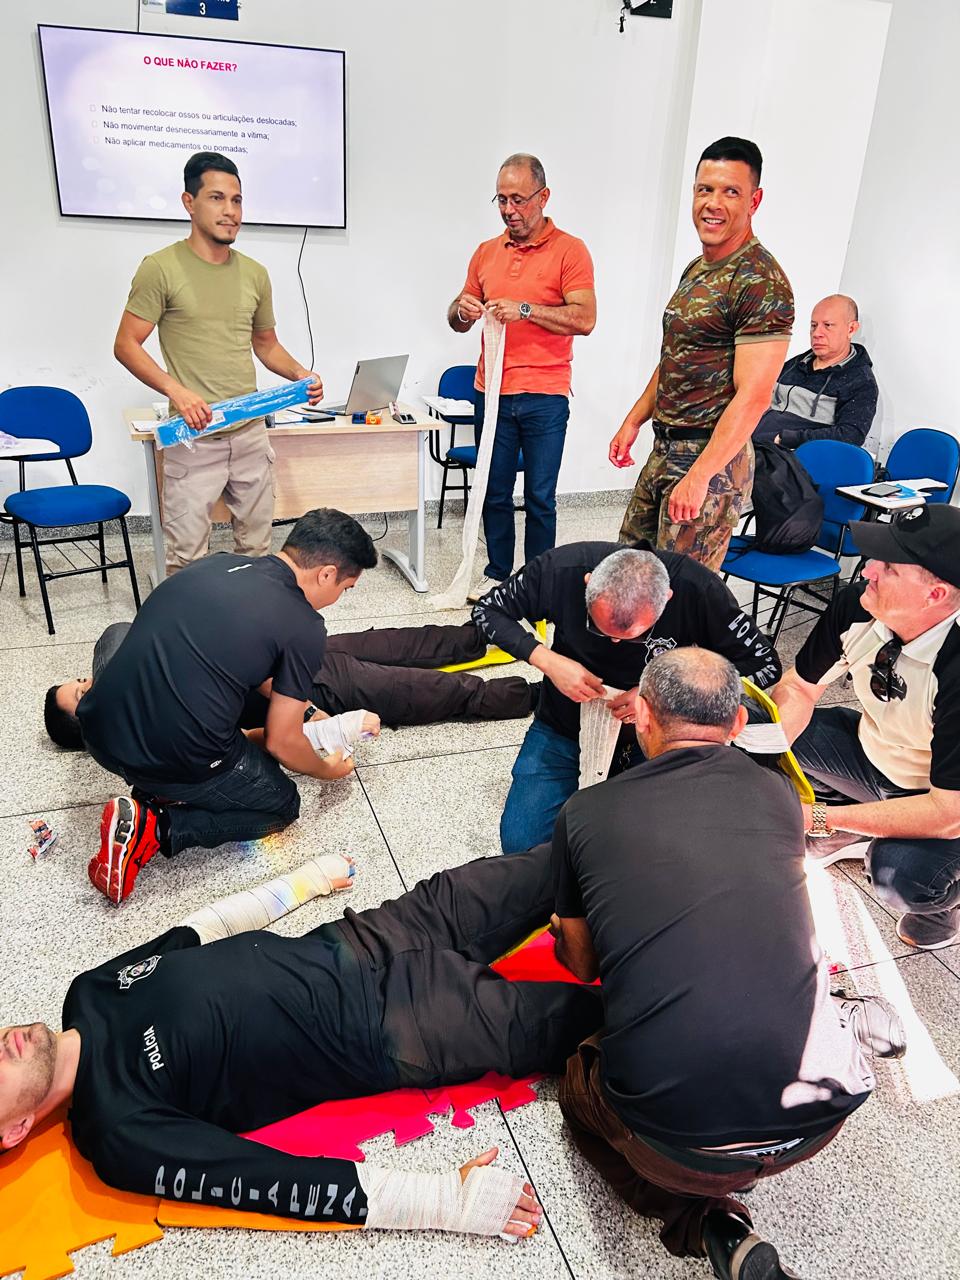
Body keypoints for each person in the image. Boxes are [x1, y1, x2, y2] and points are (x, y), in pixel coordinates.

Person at [0, 847, 601, 1241]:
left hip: (368, 934)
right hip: (397, 1024)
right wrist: (448, 1201)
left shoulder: (87, 991)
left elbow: (197, 931)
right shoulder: (116, 1131)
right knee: (616, 1022)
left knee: (576, 854)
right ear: (13, 1132)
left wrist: (302, 882)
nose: (2, 1043)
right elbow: (271, 1180)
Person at [551, 647, 905, 1280]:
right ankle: (845, 1020)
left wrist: (565, 928)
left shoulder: (584, 813)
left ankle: (705, 1222)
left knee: (579, 1082)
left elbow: (580, 964)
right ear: (740, 724)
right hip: (821, 1123)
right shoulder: (776, 795)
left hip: (674, 1146)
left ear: (642, 718)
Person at [76, 508, 378, 906]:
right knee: (282, 804)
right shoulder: (305, 625)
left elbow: (243, 655)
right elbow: (281, 744)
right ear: (325, 573)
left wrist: (303, 708)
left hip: (98, 730)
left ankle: (152, 773)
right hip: (178, 758)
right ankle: (158, 827)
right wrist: (328, 770)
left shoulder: (220, 562)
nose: (340, 599)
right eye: (346, 588)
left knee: (118, 634)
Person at [471, 542, 782, 852]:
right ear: (588, 583)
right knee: (521, 842)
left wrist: (664, 696)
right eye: (601, 629)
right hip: (564, 724)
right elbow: (486, 610)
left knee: (642, 849)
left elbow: (766, 664)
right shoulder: (561, 569)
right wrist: (548, 661)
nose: (615, 642)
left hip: (654, 733)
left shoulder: (697, 588)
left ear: (667, 600)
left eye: (632, 635)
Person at [114, 151, 323, 576]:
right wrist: (177, 390)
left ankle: (249, 635)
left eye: (237, 200)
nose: (230, 211)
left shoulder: (255, 273)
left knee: (258, 551)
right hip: (195, 439)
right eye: (216, 198)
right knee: (187, 559)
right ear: (189, 203)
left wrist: (301, 374)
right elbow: (126, 344)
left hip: (250, 434)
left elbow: (266, 344)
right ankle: (187, 639)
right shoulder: (161, 268)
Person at [771, 503, 960, 951]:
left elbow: (946, 814)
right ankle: (861, 826)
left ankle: (946, 907)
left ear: (935, 595)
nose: (869, 570)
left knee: (902, 877)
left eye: (890, 567)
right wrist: (771, 749)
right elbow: (798, 687)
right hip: (878, 756)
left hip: (945, 803)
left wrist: (818, 817)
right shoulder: (856, 606)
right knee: (763, 734)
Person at [610, 137, 794, 572]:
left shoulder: (760, 281)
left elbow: (754, 396)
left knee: (678, 602)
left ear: (755, 200)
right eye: (704, 189)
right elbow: (677, 355)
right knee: (622, 578)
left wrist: (701, 476)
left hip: (709, 461)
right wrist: (634, 420)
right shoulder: (698, 268)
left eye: (730, 191)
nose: (712, 203)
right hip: (666, 446)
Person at [448, 153, 596, 600]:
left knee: (539, 497)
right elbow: (455, 316)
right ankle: (497, 576)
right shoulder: (486, 253)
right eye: (501, 200)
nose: (509, 209)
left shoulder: (570, 250)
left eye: (518, 199)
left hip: (545, 396)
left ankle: (538, 583)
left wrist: (526, 310)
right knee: (492, 491)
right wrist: (463, 310)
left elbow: (585, 318)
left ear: (543, 197)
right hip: (490, 393)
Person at [44, 619, 537, 752]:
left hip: (299, 654)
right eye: (82, 693)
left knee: (410, 641)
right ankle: (538, 695)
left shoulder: (146, 662)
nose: (91, 680)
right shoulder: (154, 730)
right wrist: (317, 724)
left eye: (82, 680)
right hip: (312, 693)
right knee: (437, 693)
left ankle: (500, 632)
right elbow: (242, 741)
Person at [753, 295, 879, 447]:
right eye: (813, 325)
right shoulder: (795, 364)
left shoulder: (861, 381)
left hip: (789, 457)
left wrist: (784, 438)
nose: (817, 333)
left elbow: (850, 436)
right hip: (755, 443)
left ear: (851, 329)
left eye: (828, 325)